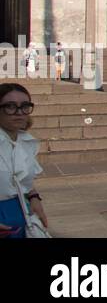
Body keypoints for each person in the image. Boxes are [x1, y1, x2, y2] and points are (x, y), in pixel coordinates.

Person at [0, 84, 51, 238]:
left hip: (22, 212)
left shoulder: (25, 142)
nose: (19, 112)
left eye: (25, 106)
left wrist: (34, 197)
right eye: (10, 106)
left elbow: (19, 179)